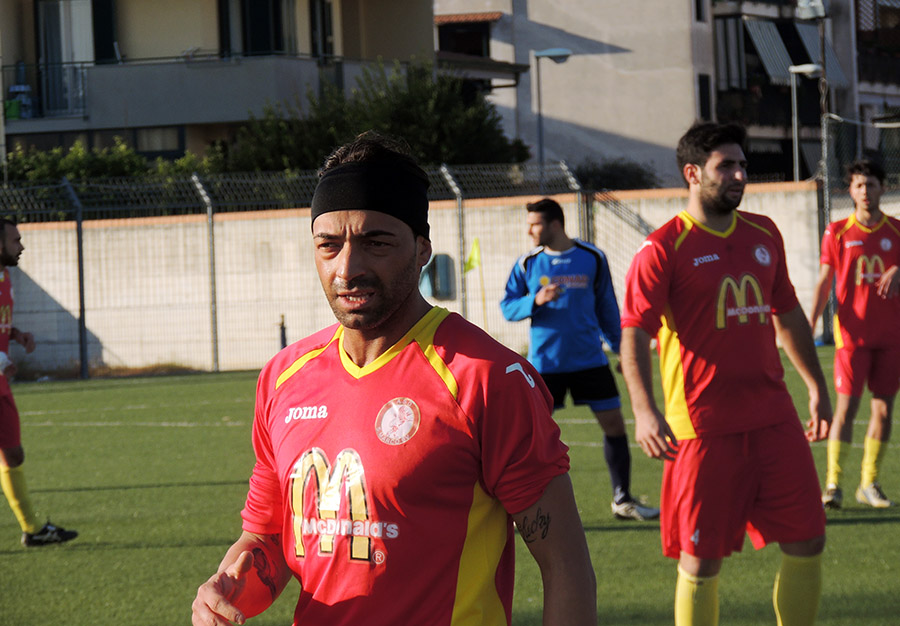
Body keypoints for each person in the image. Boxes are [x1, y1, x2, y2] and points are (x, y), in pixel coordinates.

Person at [191, 133, 597, 626]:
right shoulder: (284, 377)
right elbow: (270, 537)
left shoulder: (486, 378)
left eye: (375, 242)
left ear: (422, 248)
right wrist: (225, 589)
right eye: (329, 245)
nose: (348, 268)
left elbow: (565, 565)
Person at [619, 122, 832, 626]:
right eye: (726, 167)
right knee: (701, 560)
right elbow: (633, 334)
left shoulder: (764, 233)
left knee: (808, 538)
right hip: (702, 427)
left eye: (742, 165)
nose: (739, 175)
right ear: (693, 174)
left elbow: (789, 313)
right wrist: (645, 412)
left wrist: (816, 385)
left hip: (773, 417)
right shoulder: (662, 249)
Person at [500, 198, 659, 521]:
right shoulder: (528, 263)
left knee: (615, 426)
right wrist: (535, 300)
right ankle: (518, 506)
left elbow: (607, 309)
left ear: (554, 224)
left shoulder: (592, 258)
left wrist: (620, 349)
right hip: (545, 364)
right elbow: (507, 307)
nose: (529, 230)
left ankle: (623, 500)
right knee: (527, 437)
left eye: (535, 224)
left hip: (590, 360)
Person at [811, 159, 899, 509]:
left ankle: (869, 482)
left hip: (891, 337)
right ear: (850, 190)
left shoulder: (896, 231)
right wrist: (810, 322)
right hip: (852, 338)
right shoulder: (836, 232)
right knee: (845, 410)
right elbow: (823, 281)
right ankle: (833, 484)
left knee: (883, 410)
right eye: (859, 185)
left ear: (883, 188)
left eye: (872, 185)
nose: (866, 192)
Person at [0, 217, 78, 547]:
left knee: (13, 455)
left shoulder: (5, 277)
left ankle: (32, 530)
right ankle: (32, 528)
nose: (22, 246)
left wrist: (15, 335)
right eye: (15, 240)